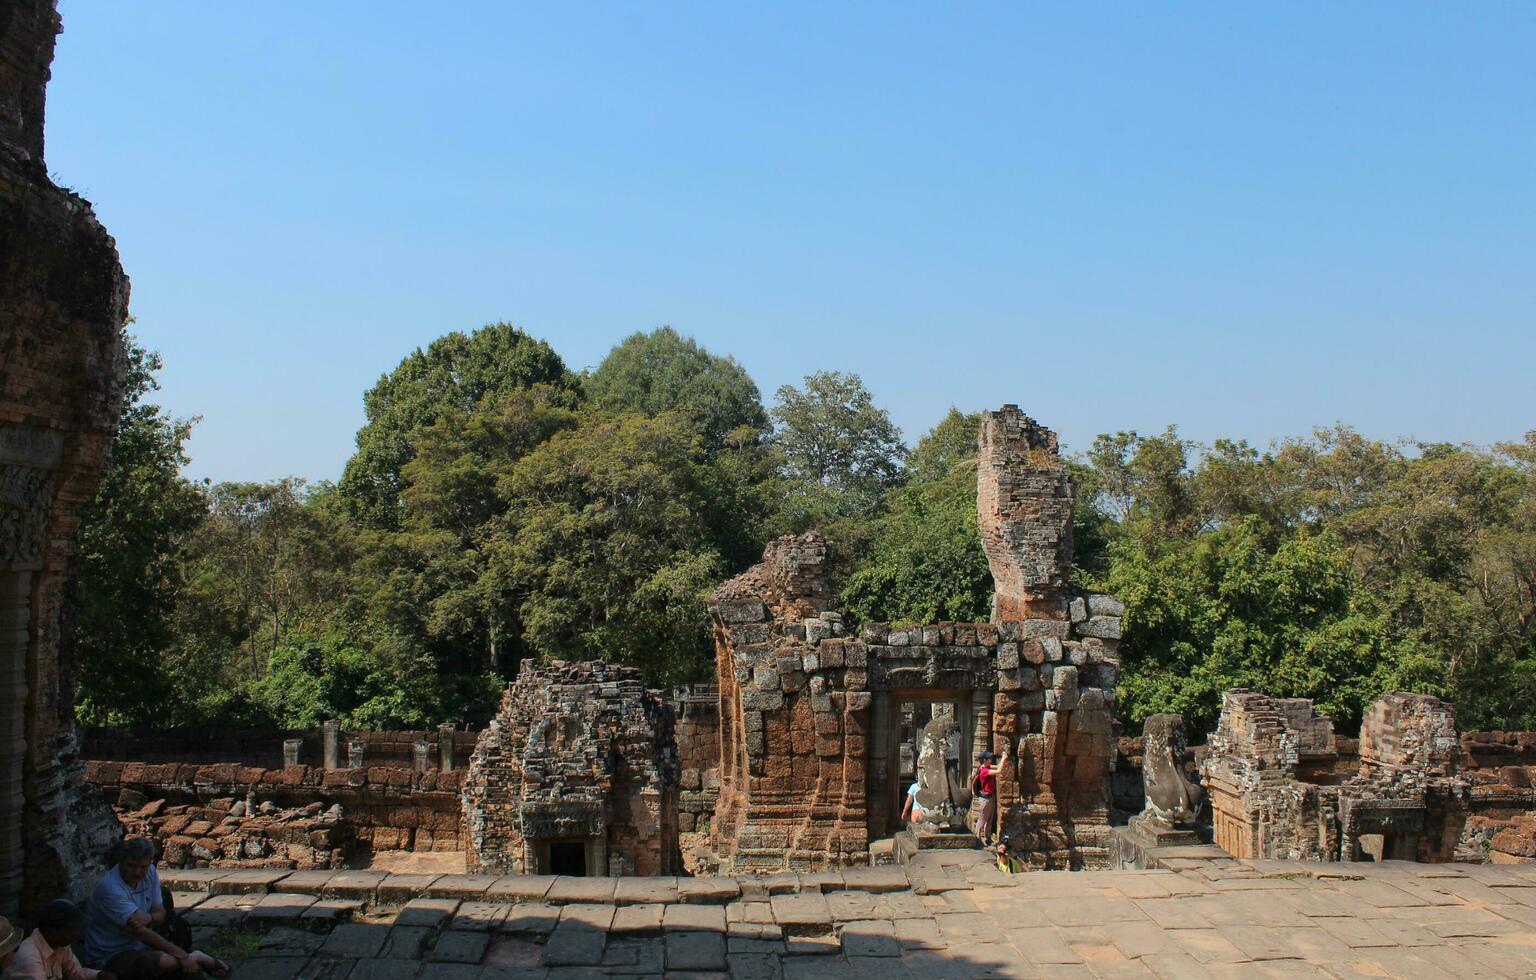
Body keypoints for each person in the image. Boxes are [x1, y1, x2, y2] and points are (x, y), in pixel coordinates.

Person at [80, 839, 229, 980]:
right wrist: (182, 956)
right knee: (164, 963)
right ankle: (196, 957)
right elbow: (138, 929)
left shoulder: (150, 872)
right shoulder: (111, 888)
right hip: (111, 954)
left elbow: (160, 913)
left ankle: (188, 960)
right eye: (131, 866)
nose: (137, 872)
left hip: (140, 943)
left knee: (178, 928)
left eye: (142, 867)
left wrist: (149, 918)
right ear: (121, 863)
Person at [4, 899, 116, 980]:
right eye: (69, 930)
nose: (75, 935)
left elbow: (75, 972)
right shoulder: (30, 959)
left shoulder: (61, 944)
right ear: (50, 931)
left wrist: (98, 975)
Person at [971, 747, 1009, 846]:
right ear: (984, 760)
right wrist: (1004, 758)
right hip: (985, 799)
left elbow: (997, 766)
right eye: (989, 758)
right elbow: (999, 771)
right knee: (982, 818)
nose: (990, 759)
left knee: (989, 818)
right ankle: (977, 838)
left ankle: (987, 837)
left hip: (990, 797)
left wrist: (1003, 758)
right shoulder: (984, 771)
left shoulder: (985, 766)